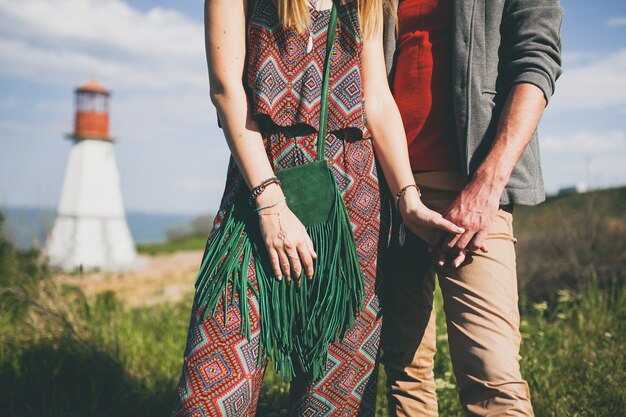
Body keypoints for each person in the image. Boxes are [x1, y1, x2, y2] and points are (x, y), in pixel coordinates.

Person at [171, 0, 464, 415]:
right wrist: (270, 203)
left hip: (354, 202)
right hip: (258, 190)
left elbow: (376, 101)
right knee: (212, 383)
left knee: (332, 398)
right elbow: (226, 90)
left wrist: (408, 198)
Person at [380, 0, 563, 416]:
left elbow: (537, 59)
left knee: (492, 378)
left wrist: (487, 184)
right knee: (405, 370)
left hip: (473, 191)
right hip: (389, 189)